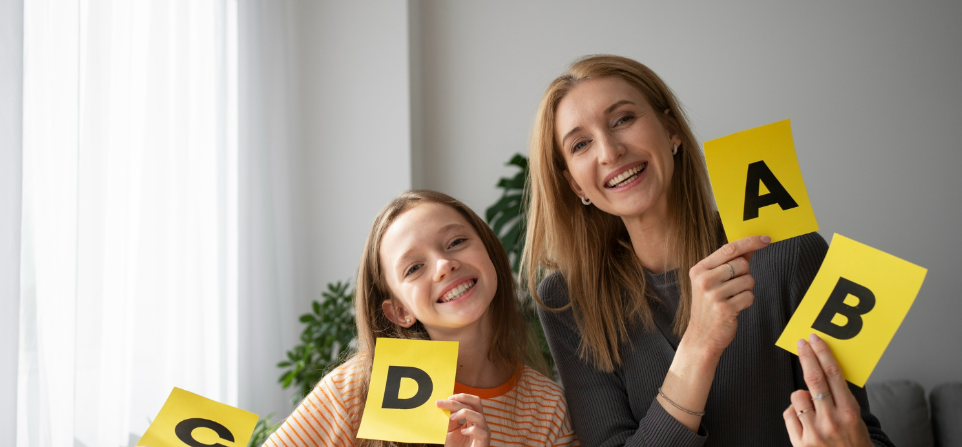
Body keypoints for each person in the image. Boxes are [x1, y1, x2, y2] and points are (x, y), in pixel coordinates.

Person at [521, 55, 893, 446]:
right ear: (574, 184)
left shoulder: (791, 248)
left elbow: (864, 433)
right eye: (581, 144)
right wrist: (699, 345)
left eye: (623, 119)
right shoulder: (567, 301)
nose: (609, 151)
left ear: (671, 131)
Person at [266, 190, 579, 447]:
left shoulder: (547, 409)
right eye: (414, 268)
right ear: (400, 312)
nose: (444, 265)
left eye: (456, 242)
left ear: (490, 254)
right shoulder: (352, 391)